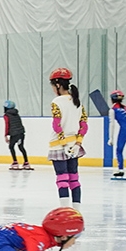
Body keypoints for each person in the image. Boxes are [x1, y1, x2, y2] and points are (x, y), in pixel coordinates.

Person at [47, 68, 87, 210]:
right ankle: (77, 212)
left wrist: (63, 144)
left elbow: (56, 125)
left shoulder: (57, 101)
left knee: (62, 179)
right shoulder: (77, 102)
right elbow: (83, 125)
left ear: (57, 85)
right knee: (74, 179)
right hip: (74, 146)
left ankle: (65, 211)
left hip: (59, 146)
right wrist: (77, 143)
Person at [2, 100, 31, 170]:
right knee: (21, 147)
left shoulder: (6, 116)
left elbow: (7, 125)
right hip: (21, 133)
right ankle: (26, 162)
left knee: (11, 146)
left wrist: (6, 135)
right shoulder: (17, 114)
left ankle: (15, 162)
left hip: (14, 134)